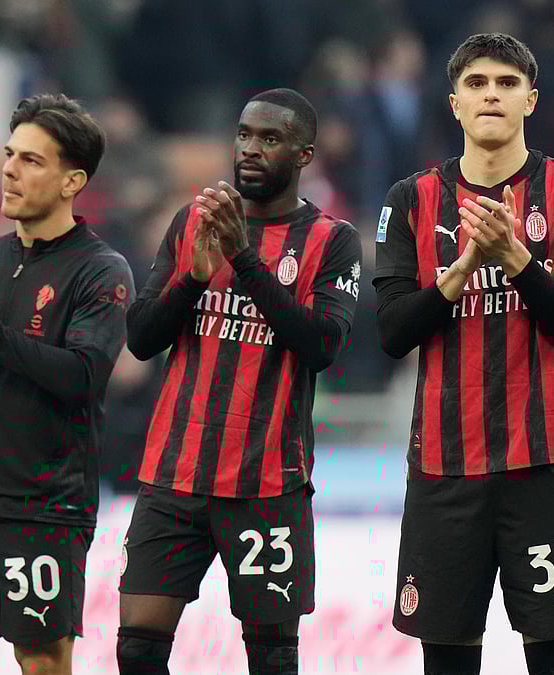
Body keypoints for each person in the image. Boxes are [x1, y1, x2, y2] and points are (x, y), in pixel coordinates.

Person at [374, 32, 554, 675]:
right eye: (476, 84)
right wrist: (461, 271)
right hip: (445, 466)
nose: (491, 96)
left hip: (544, 459)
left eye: (506, 85)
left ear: (531, 100)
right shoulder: (409, 200)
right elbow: (392, 332)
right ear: (454, 104)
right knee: (448, 658)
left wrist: (517, 261)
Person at [116, 88, 361, 675]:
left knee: (272, 657)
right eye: (245, 135)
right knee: (137, 649)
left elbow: (321, 345)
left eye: (270, 139)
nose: (251, 149)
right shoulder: (189, 224)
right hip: (175, 477)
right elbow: (142, 338)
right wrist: (193, 280)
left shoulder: (333, 241)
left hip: (267, 484)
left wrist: (245, 261)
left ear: (303, 155)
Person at [0, 94, 133, 675]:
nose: (10, 170)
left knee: (42, 659)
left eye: (31, 160)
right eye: (8, 154)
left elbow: (82, 375)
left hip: (46, 504)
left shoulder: (101, 269)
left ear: (72, 180)